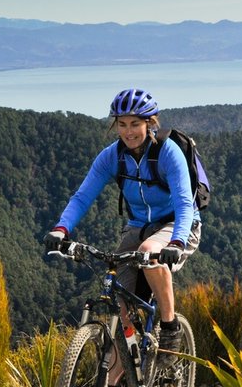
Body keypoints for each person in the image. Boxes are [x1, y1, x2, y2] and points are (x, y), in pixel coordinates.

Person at [43, 88, 201, 361]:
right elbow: (82, 197)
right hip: (137, 228)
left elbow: (185, 204)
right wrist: (61, 229)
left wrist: (176, 241)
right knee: (119, 306)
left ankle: (169, 325)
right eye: (122, 124)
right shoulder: (111, 156)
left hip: (177, 226)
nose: (129, 132)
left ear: (150, 123)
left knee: (150, 252)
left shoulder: (167, 153)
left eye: (136, 124)